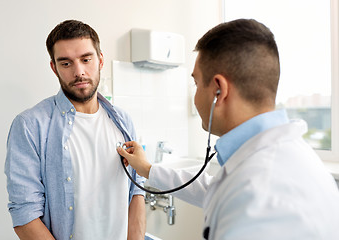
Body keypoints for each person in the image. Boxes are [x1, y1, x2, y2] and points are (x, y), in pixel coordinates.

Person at [117, 19, 339, 240]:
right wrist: (147, 168)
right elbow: (212, 188)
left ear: (218, 90)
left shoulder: (262, 192)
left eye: (196, 84)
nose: (195, 97)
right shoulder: (281, 158)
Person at [5, 20, 146, 240]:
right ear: (54, 68)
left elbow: (137, 191)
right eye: (66, 63)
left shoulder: (123, 121)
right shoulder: (31, 125)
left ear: (100, 60)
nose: (79, 72)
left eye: (86, 59)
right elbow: (25, 213)